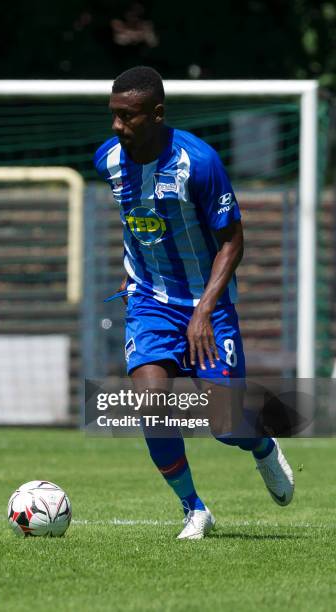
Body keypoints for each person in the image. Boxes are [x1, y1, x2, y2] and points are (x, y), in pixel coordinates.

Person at [94, 66, 294, 540]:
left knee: (225, 424)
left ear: (157, 115)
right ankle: (194, 509)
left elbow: (233, 241)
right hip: (149, 301)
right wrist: (134, 273)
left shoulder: (198, 162)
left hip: (207, 303)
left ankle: (262, 446)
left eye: (128, 116)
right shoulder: (108, 160)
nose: (117, 126)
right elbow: (136, 222)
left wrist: (203, 310)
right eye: (114, 115)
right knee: (150, 403)